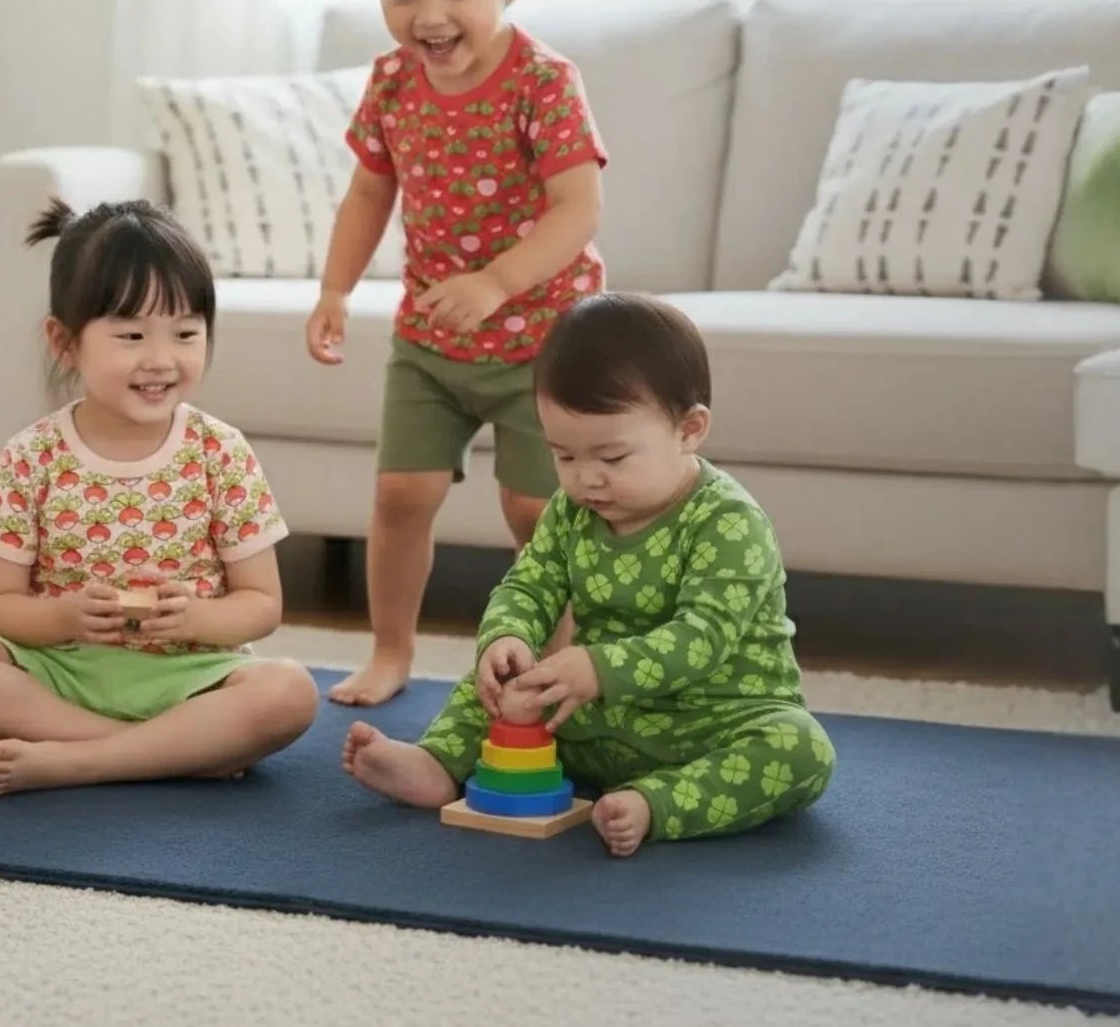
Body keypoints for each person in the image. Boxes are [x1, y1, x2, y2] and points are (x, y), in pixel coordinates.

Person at [342, 293, 835, 856]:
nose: (586, 480)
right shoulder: (571, 511)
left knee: (801, 749)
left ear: (690, 429)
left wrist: (599, 667)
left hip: (712, 722)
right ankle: (436, 762)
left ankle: (657, 803)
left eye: (613, 458)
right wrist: (506, 639)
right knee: (501, 685)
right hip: (594, 715)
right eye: (565, 456)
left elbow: (705, 638)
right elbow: (529, 585)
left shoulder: (729, 521)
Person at [308, 0, 608, 707]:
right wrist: (335, 289)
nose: (426, 15)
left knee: (533, 516)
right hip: (430, 340)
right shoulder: (393, 82)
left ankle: (556, 670)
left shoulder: (545, 83)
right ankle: (391, 651)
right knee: (403, 493)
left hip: (544, 342)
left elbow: (577, 212)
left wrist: (496, 282)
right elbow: (370, 188)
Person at [0, 200, 318, 795]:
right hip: (59, 675)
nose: (161, 360)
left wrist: (196, 616)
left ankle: (80, 761)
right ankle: (156, 752)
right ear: (64, 343)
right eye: (132, 336)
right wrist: (66, 617)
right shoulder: (31, 455)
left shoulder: (220, 451)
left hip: (188, 678)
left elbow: (261, 604)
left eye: (187, 333)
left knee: (289, 691)